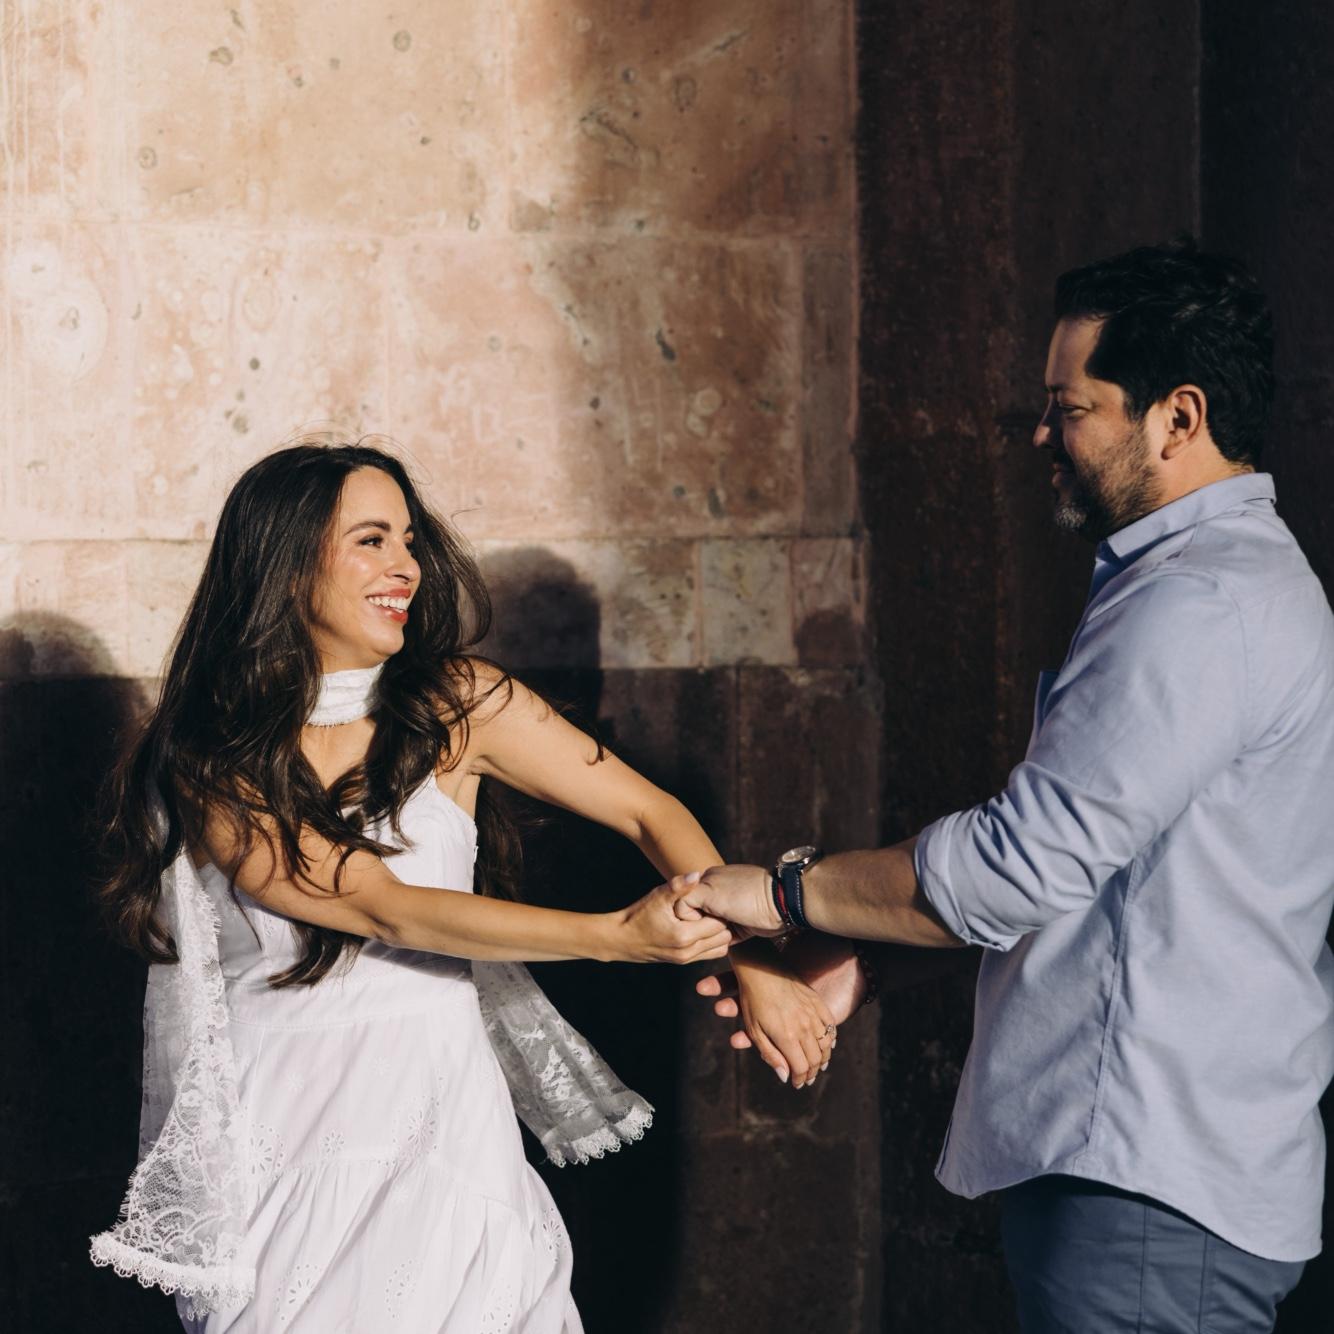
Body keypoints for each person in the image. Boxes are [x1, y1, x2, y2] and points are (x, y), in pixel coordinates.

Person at [683, 240, 1334, 1332]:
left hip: (1144, 1189)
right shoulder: (1214, 586)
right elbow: (1102, 883)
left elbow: (1016, 866)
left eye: (1068, 409)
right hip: (1150, 1182)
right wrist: (870, 959)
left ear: (1176, 417)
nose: (1040, 436)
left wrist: (784, 891)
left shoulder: (1199, 604)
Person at [90, 442, 837, 1332]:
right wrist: (617, 937)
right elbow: (378, 904)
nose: (404, 566)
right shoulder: (212, 758)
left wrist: (755, 963)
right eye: (371, 540)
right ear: (286, 566)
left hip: (447, 1130)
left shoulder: (458, 703)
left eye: (408, 540)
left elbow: (650, 812)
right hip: (287, 1143)